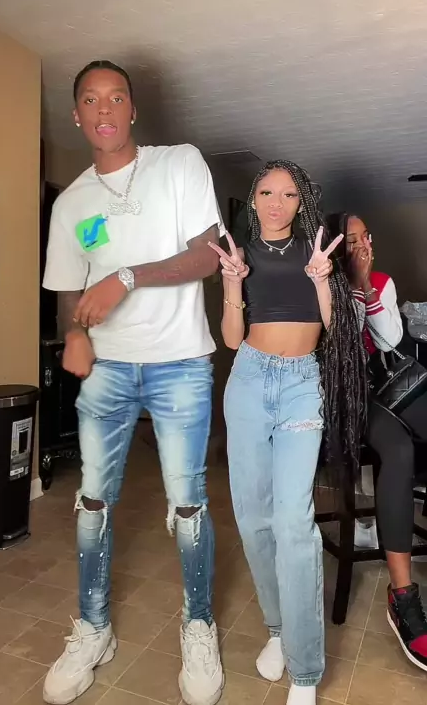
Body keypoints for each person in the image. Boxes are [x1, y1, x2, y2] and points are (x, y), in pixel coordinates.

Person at [42, 60, 225, 705]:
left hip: (181, 364)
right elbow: (69, 287)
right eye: (91, 100)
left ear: (132, 108)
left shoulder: (179, 164)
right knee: (92, 500)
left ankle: (198, 625)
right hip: (108, 370)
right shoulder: (71, 204)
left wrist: (126, 277)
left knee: (188, 504)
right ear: (77, 115)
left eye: (116, 97)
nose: (105, 109)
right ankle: (93, 628)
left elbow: (207, 256)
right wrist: (76, 332)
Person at [208, 162, 367, 705]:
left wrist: (323, 281)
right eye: (266, 192)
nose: (277, 202)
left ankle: (305, 670)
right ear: (253, 199)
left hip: (302, 385)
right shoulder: (241, 256)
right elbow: (233, 339)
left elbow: (336, 330)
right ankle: (278, 629)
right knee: (253, 519)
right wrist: (232, 282)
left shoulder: (315, 251)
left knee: (293, 522)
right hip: (249, 381)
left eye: (289, 194)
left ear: (303, 202)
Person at [327, 213, 427, 673]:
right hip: (349, 396)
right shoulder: (323, 284)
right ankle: (403, 596)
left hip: (387, 386)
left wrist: (367, 284)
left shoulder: (381, 281)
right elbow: (341, 342)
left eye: (366, 236)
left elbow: (389, 340)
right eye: (353, 240)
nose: (364, 244)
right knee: (400, 450)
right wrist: (352, 284)